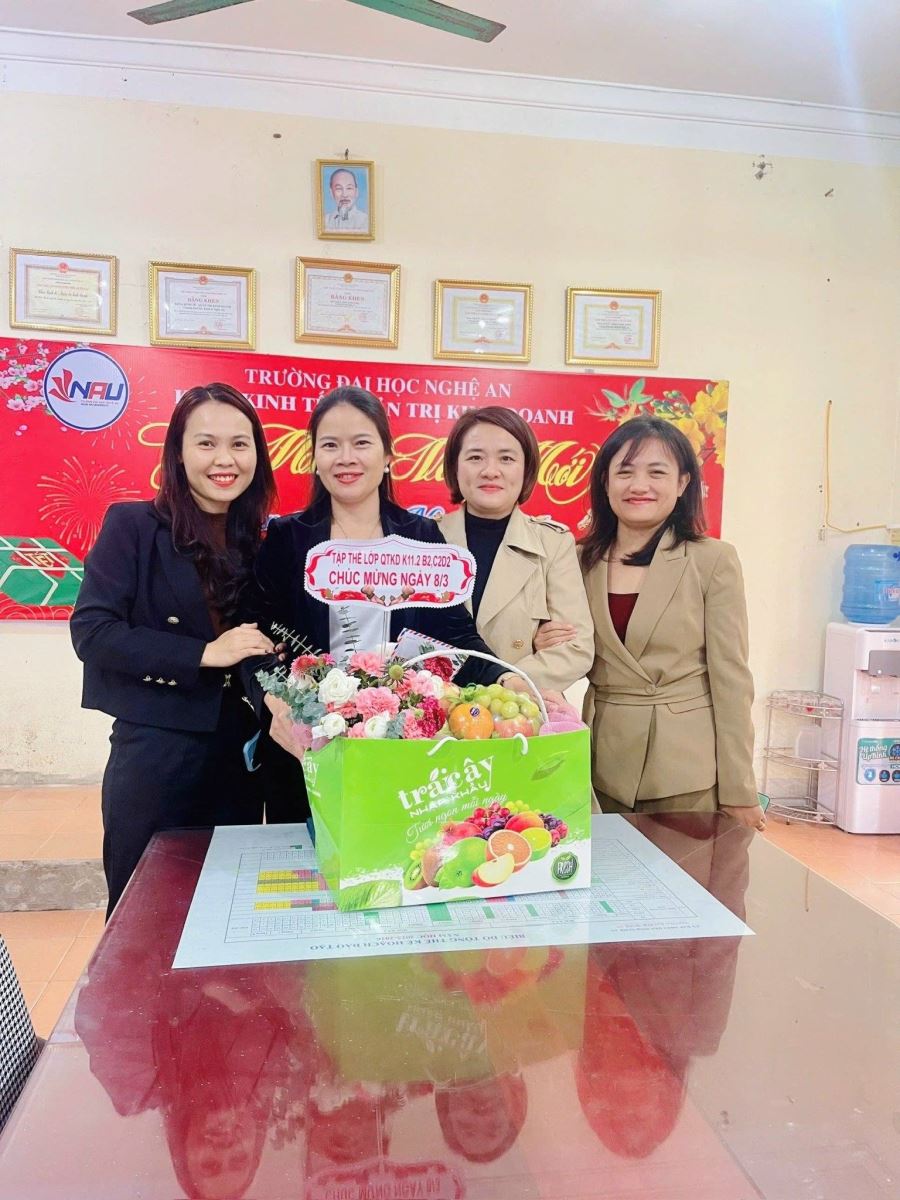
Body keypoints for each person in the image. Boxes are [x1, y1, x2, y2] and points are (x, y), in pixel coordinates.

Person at [70, 383, 278, 915]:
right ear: (178, 452)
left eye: (240, 444)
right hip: (156, 754)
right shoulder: (133, 526)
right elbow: (92, 632)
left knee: (225, 913)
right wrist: (204, 653)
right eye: (206, 443)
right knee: (143, 915)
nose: (225, 460)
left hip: (239, 754)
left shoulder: (259, 540)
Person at [249, 387, 512, 792]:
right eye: (330, 445)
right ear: (315, 458)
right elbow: (258, 635)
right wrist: (274, 700)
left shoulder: (420, 535)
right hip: (308, 747)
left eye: (362, 443)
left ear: (388, 455)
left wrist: (507, 679)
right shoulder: (288, 538)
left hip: (403, 745)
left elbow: (455, 634)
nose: (346, 457)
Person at [538, 415, 765, 828]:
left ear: (682, 484)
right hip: (602, 761)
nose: (639, 485)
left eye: (657, 472)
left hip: (687, 770)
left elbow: (732, 680)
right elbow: (569, 648)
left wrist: (739, 790)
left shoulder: (712, 559)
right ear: (605, 482)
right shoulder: (576, 559)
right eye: (625, 472)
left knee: (690, 870)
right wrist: (543, 644)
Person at [439, 406, 593, 692]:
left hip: (516, 708)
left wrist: (506, 686)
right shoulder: (426, 538)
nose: (490, 471)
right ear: (454, 466)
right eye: (475, 457)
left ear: (526, 469)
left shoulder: (553, 543)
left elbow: (575, 647)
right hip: (433, 706)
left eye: (507, 458)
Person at [323, 167, 369, 232]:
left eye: (349, 188)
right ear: (331, 193)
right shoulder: (325, 221)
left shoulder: (365, 221)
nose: (344, 195)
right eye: (339, 188)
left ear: (356, 192)